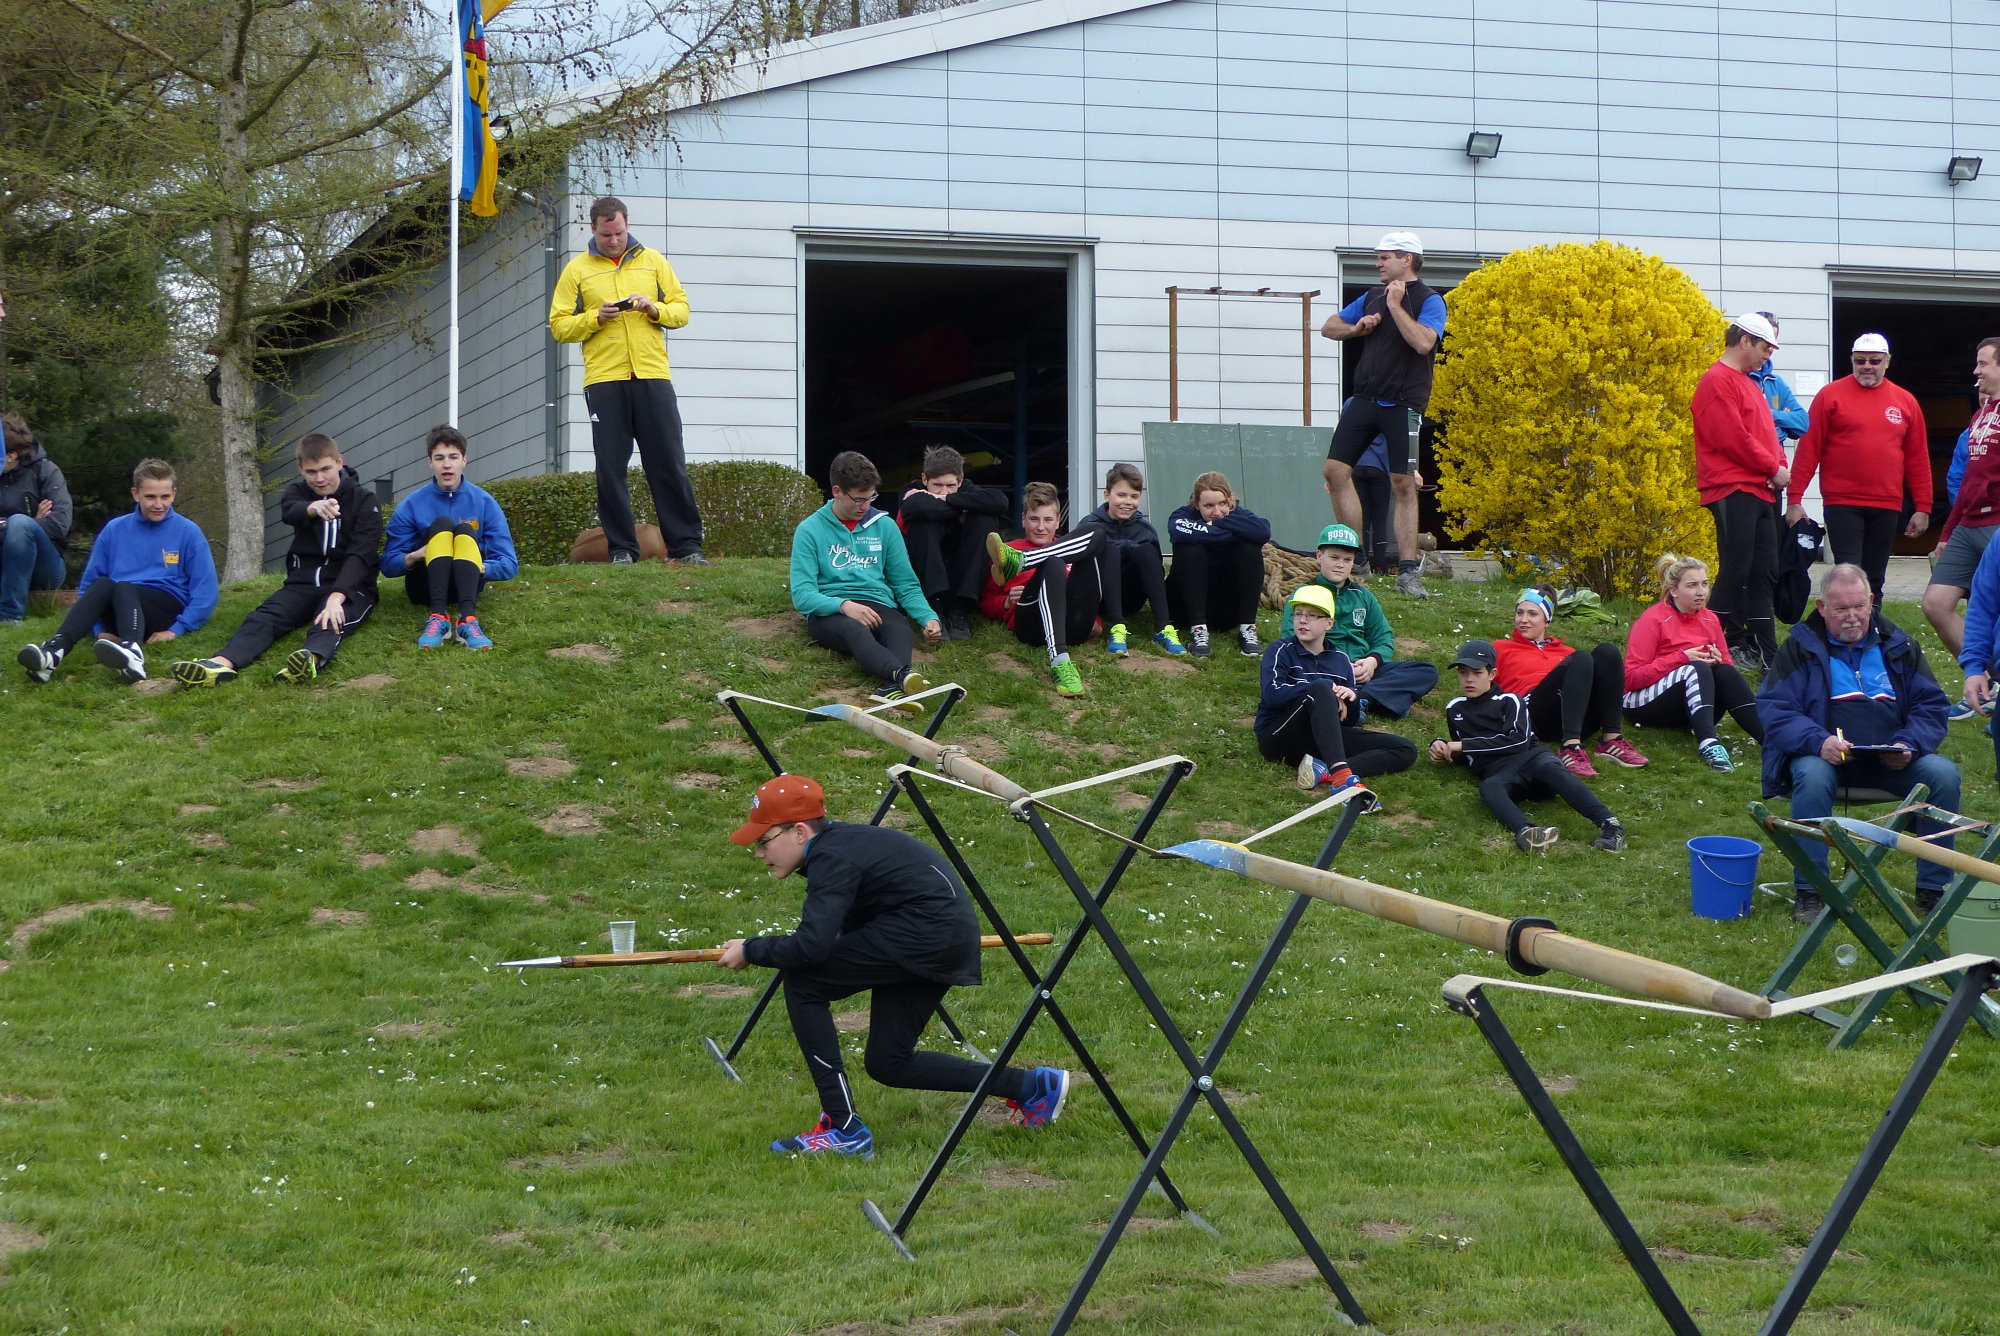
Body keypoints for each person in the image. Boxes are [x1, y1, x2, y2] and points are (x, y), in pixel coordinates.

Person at [717, 773, 1070, 1158]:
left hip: (922, 936)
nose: (759, 853)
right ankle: (1031, 1086)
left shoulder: (831, 856)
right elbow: (847, 923)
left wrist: (752, 949)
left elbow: (811, 949)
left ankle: (842, 1128)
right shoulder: (842, 846)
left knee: (804, 984)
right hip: (935, 937)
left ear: (799, 831)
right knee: (889, 1063)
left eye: (763, 841)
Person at [1761, 564, 1957, 922]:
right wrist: (1818, 741)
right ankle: (1811, 891)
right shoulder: (1799, 648)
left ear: (1872, 601)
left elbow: (1931, 706)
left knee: (1943, 774)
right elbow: (1775, 710)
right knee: (1812, 776)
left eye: (1860, 606)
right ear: (1822, 607)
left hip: (1890, 762)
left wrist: (1909, 744)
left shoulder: (1900, 645)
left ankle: (1934, 888)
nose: (1852, 616)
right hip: (1822, 759)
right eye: (1841, 609)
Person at [547, 195, 706, 567]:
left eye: (619, 232)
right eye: (606, 235)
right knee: (611, 468)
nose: (614, 240)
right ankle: (621, 550)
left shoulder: (654, 261)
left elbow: (682, 309)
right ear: (593, 229)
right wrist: (594, 318)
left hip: (652, 375)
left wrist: (653, 309)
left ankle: (686, 548)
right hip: (604, 380)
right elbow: (559, 325)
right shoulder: (576, 270)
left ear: (626, 224)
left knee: (668, 463)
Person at [170, 434, 381, 687]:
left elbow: (361, 554)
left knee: (329, 620)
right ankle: (220, 664)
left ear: (339, 462)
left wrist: (337, 597)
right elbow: (290, 510)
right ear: (300, 468)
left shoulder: (364, 500)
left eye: (325, 469)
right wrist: (312, 508)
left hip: (351, 588)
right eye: (311, 472)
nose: (319, 478)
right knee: (264, 617)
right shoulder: (297, 492)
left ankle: (309, 660)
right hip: (302, 584)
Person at [1319, 231, 1446, 599]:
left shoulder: (1430, 299)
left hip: (1403, 403)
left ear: (1407, 259)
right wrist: (1356, 328)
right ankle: (1355, 558)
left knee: (1403, 484)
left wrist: (1395, 307)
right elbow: (1328, 327)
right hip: (1364, 398)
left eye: (1384, 257)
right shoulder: (1372, 295)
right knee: (1335, 471)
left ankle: (1407, 572)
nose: (1377, 263)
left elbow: (1423, 342)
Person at [17, 458, 216, 684]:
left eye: (165, 497)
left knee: (123, 586)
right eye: (150, 497)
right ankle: (52, 653)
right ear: (135, 494)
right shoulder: (115, 529)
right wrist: (99, 629)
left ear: (174, 494)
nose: (158, 504)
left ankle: (133, 653)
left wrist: (177, 629)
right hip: (120, 610)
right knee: (104, 584)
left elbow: (206, 591)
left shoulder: (188, 532)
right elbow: (89, 585)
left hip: (163, 609)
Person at [1431, 639, 1627, 854]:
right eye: (1463, 672)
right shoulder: (1454, 709)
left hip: (1532, 759)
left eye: (1477, 673)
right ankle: (1527, 833)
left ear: (1492, 674)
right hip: (1499, 773)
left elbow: (1517, 740)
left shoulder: (1510, 700)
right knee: (1489, 787)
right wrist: (1443, 747)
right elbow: (1468, 755)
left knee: (1551, 769)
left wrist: (1462, 745)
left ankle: (1611, 825)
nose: (1469, 679)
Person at [1785, 334, 1931, 603]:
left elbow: (1917, 458)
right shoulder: (1830, 396)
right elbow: (1808, 451)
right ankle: (1845, 624)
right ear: (1852, 361)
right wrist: (1795, 499)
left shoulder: (1905, 401)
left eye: (1874, 361)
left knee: (1875, 579)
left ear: (1887, 362)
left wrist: (1923, 507)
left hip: (1886, 503)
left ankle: (1872, 625)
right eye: (1860, 361)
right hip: (1842, 502)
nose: (1867, 366)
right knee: (1848, 576)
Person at [791, 450, 939, 706]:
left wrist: (927, 617)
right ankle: (901, 676)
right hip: (830, 610)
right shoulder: (809, 530)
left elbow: (905, 583)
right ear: (837, 491)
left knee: (900, 630)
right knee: (855, 630)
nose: (866, 506)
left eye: (871, 498)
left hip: (878, 603)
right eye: (859, 500)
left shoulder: (885, 526)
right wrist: (844, 605)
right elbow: (802, 595)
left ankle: (888, 690)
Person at [1691, 311, 1789, 669]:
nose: (1768, 356)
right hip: (1732, 488)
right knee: (1736, 569)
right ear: (1745, 341)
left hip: (1761, 489)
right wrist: (1772, 468)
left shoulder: (1750, 383)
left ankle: (1768, 655)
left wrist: (1779, 467)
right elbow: (1733, 438)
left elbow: (1767, 435)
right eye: (1765, 348)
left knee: (1763, 573)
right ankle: (1702, 646)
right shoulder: (1716, 381)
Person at [1256, 583, 1417, 797]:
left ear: (1329, 623)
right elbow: (1272, 695)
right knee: (1321, 687)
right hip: (1279, 738)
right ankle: (1341, 776)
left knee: (1405, 749)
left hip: (1322, 742)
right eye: (1298, 614)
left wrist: (1351, 699)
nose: (1303, 620)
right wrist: (1322, 689)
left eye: (1312, 615)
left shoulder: (1341, 660)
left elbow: (1347, 721)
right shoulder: (1280, 650)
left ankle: (1324, 770)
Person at [1278, 523, 1438, 720]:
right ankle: (1380, 700)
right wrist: (1336, 666)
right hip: (1323, 669)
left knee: (1426, 671)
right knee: (1309, 680)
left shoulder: (1363, 595)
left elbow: (1383, 636)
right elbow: (1291, 640)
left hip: (1362, 669)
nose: (1340, 564)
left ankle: (1361, 699)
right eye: (1334, 558)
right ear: (1319, 556)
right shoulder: (1304, 594)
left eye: (1347, 560)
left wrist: (1372, 661)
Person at [379, 426, 518, 651]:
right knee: (442, 524)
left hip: (468, 585)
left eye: (453, 457)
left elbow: (509, 563)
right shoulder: (411, 504)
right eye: (439, 458)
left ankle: (467, 620)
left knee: (464, 530)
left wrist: (478, 566)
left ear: (464, 460)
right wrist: (415, 556)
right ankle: (437, 617)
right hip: (424, 587)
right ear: (430, 463)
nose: (446, 464)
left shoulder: (484, 502)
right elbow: (388, 564)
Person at [1622, 554, 1764, 772]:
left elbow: (1727, 671)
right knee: (1695, 668)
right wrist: (1681, 658)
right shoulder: (1653, 619)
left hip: (1692, 708)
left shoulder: (1710, 619)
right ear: (1674, 590)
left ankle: (1771, 741)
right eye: (1692, 585)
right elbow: (1630, 678)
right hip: (1642, 705)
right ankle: (1709, 744)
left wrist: (1718, 661)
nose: (1701, 592)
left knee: (1724, 671)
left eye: (1705, 584)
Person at [1493, 587, 1649, 777]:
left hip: (1577, 717)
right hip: (1535, 715)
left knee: (1608, 652)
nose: (1523, 619)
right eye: (1520, 613)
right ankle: (1570, 746)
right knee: (1581, 658)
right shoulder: (1500, 648)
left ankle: (1611, 739)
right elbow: (1482, 685)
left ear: (1547, 620)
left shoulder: (1566, 653)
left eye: (1532, 614)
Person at [980, 481, 1102, 697]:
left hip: (1072, 626)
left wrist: (1096, 621)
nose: (1040, 527)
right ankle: (1059, 661)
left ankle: (1025, 561)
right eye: (1034, 519)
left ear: (1058, 521)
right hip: (1032, 624)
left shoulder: (1071, 546)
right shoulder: (1006, 551)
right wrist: (1005, 602)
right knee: (1053, 563)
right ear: (1023, 519)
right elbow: (986, 601)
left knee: (1099, 532)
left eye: (1048, 520)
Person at [1920, 337, 2000, 662]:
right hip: (1968, 525)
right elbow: (1968, 481)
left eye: (1983, 364)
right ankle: (1983, 677)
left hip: (1996, 524)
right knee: (1935, 604)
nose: (1976, 371)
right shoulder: (1979, 417)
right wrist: (1946, 532)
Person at [1072, 463, 1186, 657]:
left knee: (1147, 550)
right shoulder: (1089, 525)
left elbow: (1156, 569)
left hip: (1132, 599)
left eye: (1134, 496)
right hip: (1097, 599)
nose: (1128, 502)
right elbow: (1077, 568)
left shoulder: (1145, 529)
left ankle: (1163, 628)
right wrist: (1122, 547)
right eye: (1122, 495)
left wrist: (1132, 549)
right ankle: (1117, 626)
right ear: (1107, 495)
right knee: (1110, 550)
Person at [896, 444, 1006, 642]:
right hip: (926, 570)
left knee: (984, 519)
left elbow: (999, 502)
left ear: (960, 481)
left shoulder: (965, 488)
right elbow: (917, 508)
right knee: (923, 522)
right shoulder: (911, 490)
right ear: (924, 479)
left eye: (950, 486)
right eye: (937, 485)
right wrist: (963, 507)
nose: (943, 490)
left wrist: (943, 499)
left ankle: (960, 610)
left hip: (961, 568)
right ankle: (935, 609)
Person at [1164, 470, 1269, 658]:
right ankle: (1198, 630)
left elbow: (1263, 531)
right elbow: (1177, 529)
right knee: (1189, 548)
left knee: (1249, 548)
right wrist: (1233, 532)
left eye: (1222, 504)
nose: (1217, 512)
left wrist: (1217, 526)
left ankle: (1247, 628)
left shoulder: (1240, 514)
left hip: (1226, 608)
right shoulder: (1182, 515)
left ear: (1230, 500)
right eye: (1209, 506)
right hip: (1185, 607)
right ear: (1196, 504)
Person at [0, 412, 74, 626]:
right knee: (20, 525)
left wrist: (25, 526)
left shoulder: (46, 471)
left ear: (11, 455)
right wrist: (31, 521)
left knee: (20, 525)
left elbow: (59, 524)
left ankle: (9, 616)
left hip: (45, 567)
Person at [1747, 311, 1810, 443]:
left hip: (1777, 456)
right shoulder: (1740, 378)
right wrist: (1783, 421)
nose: (1770, 348)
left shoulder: (1776, 383)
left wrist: (1770, 414)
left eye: (1773, 340)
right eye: (1766, 340)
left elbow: (1803, 423)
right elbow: (1748, 431)